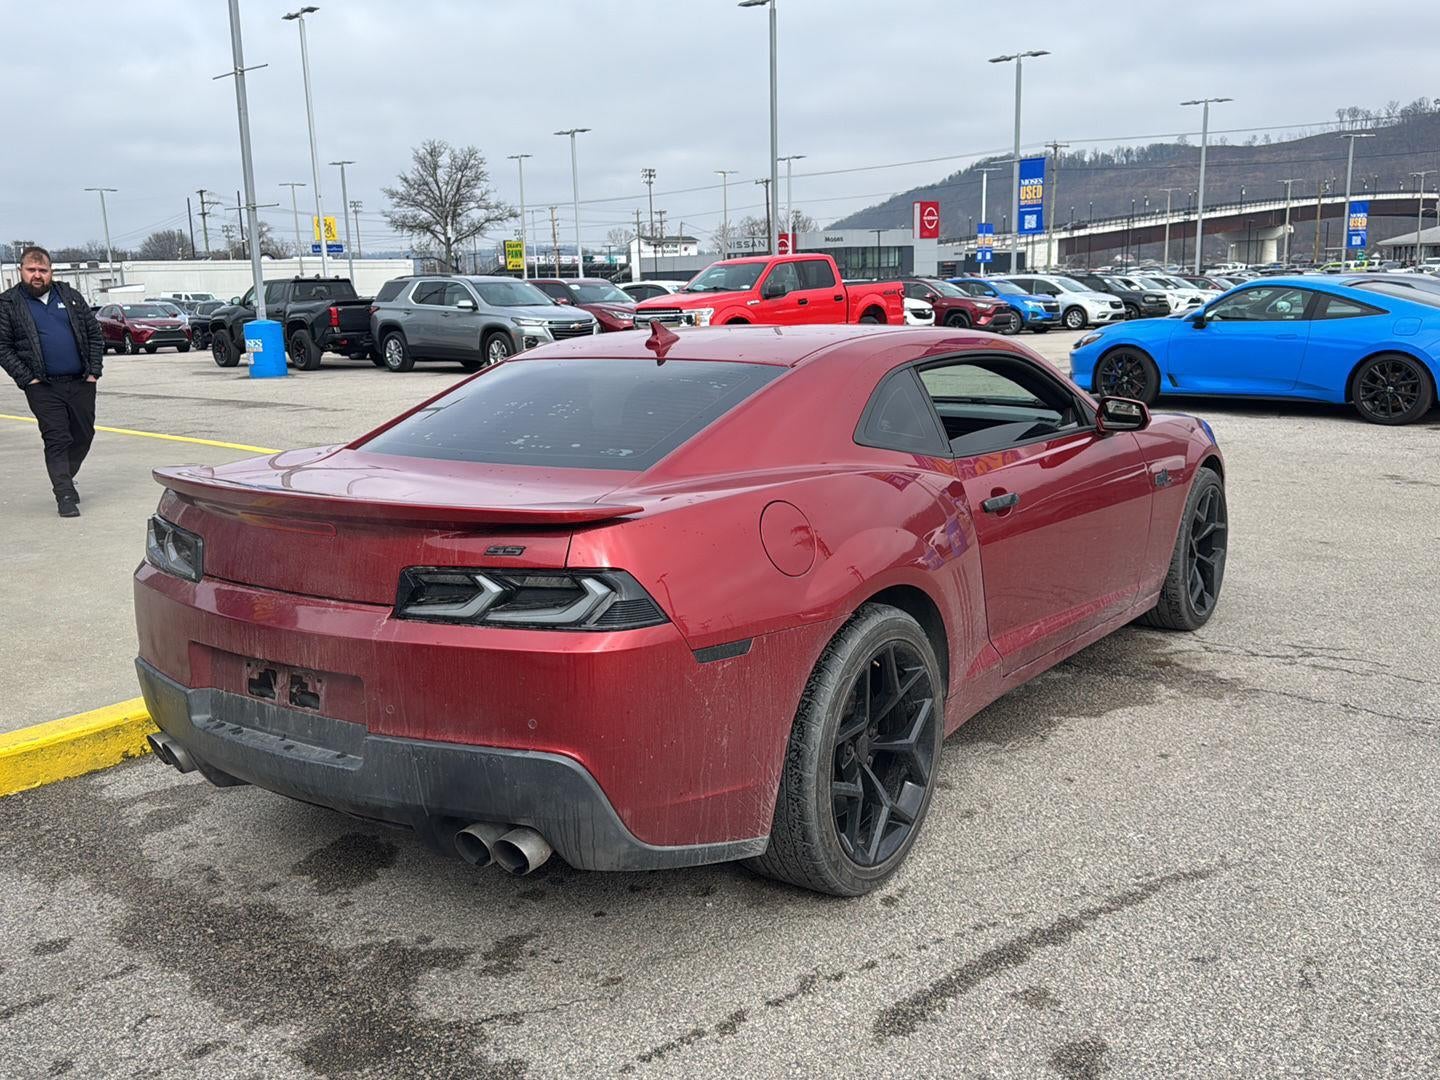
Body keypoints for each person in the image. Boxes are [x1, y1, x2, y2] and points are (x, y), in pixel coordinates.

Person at [0, 246, 105, 517]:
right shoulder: (8, 303)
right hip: (43, 386)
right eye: (31, 270)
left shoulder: (69, 296)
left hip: (81, 381)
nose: (37, 275)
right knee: (57, 437)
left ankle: (65, 476)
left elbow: (94, 334)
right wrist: (28, 378)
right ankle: (64, 495)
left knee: (83, 435)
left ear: (51, 271)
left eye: (42, 270)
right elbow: (3, 347)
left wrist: (93, 371)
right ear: (20, 271)